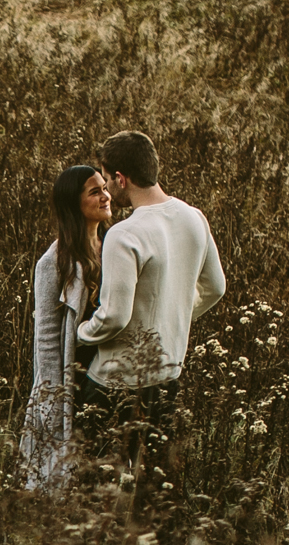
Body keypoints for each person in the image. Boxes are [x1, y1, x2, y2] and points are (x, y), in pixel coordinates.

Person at [74, 131, 226, 471]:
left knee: (95, 487)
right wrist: (174, 318)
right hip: (167, 377)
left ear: (121, 178)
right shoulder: (194, 217)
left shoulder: (125, 233)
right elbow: (215, 287)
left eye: (107, 179)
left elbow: (114, 316)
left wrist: (81, 333)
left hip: (115, 383)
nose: (107, 189)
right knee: (151, 487)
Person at [21, 163, 111, 490]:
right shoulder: (53, 261)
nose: (105, 196)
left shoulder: (115, 246)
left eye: (105, 187)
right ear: (75, 204)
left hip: (111, 373)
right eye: (95, 191)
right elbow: (45, 337)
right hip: (76, 376)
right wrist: (52, 399)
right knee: (66, 474)